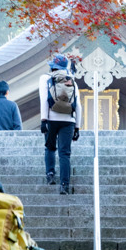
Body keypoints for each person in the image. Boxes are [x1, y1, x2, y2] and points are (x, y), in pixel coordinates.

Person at [39, 55, 82, 194]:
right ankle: (65, 184)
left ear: (52, 66)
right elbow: (78, 105)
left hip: (51, 118)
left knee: (50, 148)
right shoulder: (71, 80)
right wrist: (77, 126)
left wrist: (44, 119)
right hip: (68, 120)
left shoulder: (45, 78)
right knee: (65, 153)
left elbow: (44, 99)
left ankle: (50, 174)